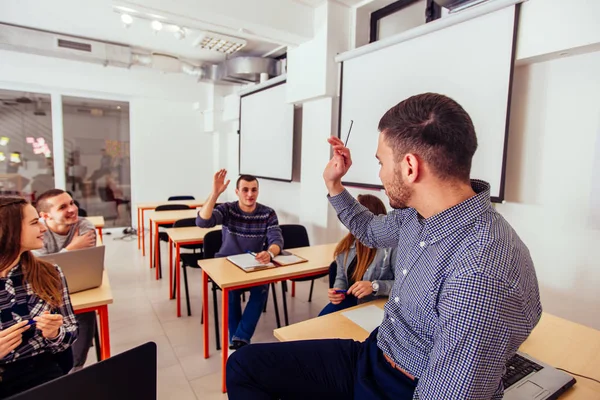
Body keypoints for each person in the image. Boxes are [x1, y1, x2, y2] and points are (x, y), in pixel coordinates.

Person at [226, 93, 542, 399]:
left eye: (380, 162)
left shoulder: (481, 271)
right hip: (375, 356)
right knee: (244, 366)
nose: (379, 175)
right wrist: (334, 184)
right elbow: (370, 231)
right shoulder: (417, 216)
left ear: (409, 167)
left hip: (408, 387)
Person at [0, 196, 78, 398]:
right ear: (8, 230)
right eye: (35, 223)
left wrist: (54, 334)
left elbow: (70, 333)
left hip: (42, 373)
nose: (43, 228)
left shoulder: (50, 273)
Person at [196, 171, 284, 350]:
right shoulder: (228, 209)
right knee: (232, 292)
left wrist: (270, 253)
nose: (250, 194)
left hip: (254, 263)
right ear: (237, 192)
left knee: (261, 288)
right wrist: (215, 194)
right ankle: (238, 340)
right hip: (227, 262)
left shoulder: (268, 213)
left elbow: (277, 240)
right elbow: (202, 222)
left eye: (254, 190)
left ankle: (239, 338)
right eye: (245, 190)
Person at [31, 189, 97, 372]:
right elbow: (39, 269)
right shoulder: (37, 232)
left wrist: (56, 257)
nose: (72, 209)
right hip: (43, 290)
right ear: (45, 216)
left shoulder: (84, 226)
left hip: (78, 284)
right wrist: (71, 249)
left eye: (72, 203)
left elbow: (88, 263)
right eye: (63, 207)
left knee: (86, 311)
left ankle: (75, 369)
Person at [321, 194, 396, 316]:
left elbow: (404, 286)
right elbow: (341, 278)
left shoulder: (391, 247)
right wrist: (336, 291)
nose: (350, 219)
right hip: (349, 303)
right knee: (321, 323)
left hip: (376, 306)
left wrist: (375, 286)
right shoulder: (345, 245)